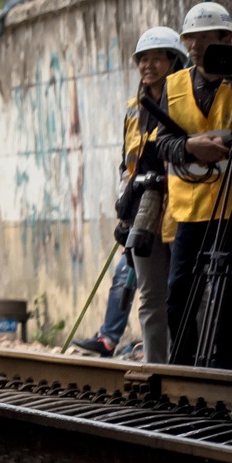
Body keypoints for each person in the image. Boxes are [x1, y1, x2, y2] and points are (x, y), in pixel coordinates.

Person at [154, 1, 232, 368]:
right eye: (190, 39)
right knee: (179, 295)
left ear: (228, 39)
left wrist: (224, 147)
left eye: (204, 39)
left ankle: (222, 370)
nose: (195, 47)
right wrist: (189, 147)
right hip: (190, 210)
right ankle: (183, 366)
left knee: (230, 292)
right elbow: (162, 143)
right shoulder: (173, 85)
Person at [80, 26, 185, 360]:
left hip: (182, 207)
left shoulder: (184, 101)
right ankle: (158, 367)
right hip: (142, 211)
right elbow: (126, 162)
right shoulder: (133, 109)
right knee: (150, 295)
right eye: (143, 59)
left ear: (173, 61)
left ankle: (189, 364)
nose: (148, 65)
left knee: (182, 293)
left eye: (156, 58)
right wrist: (124, 207)